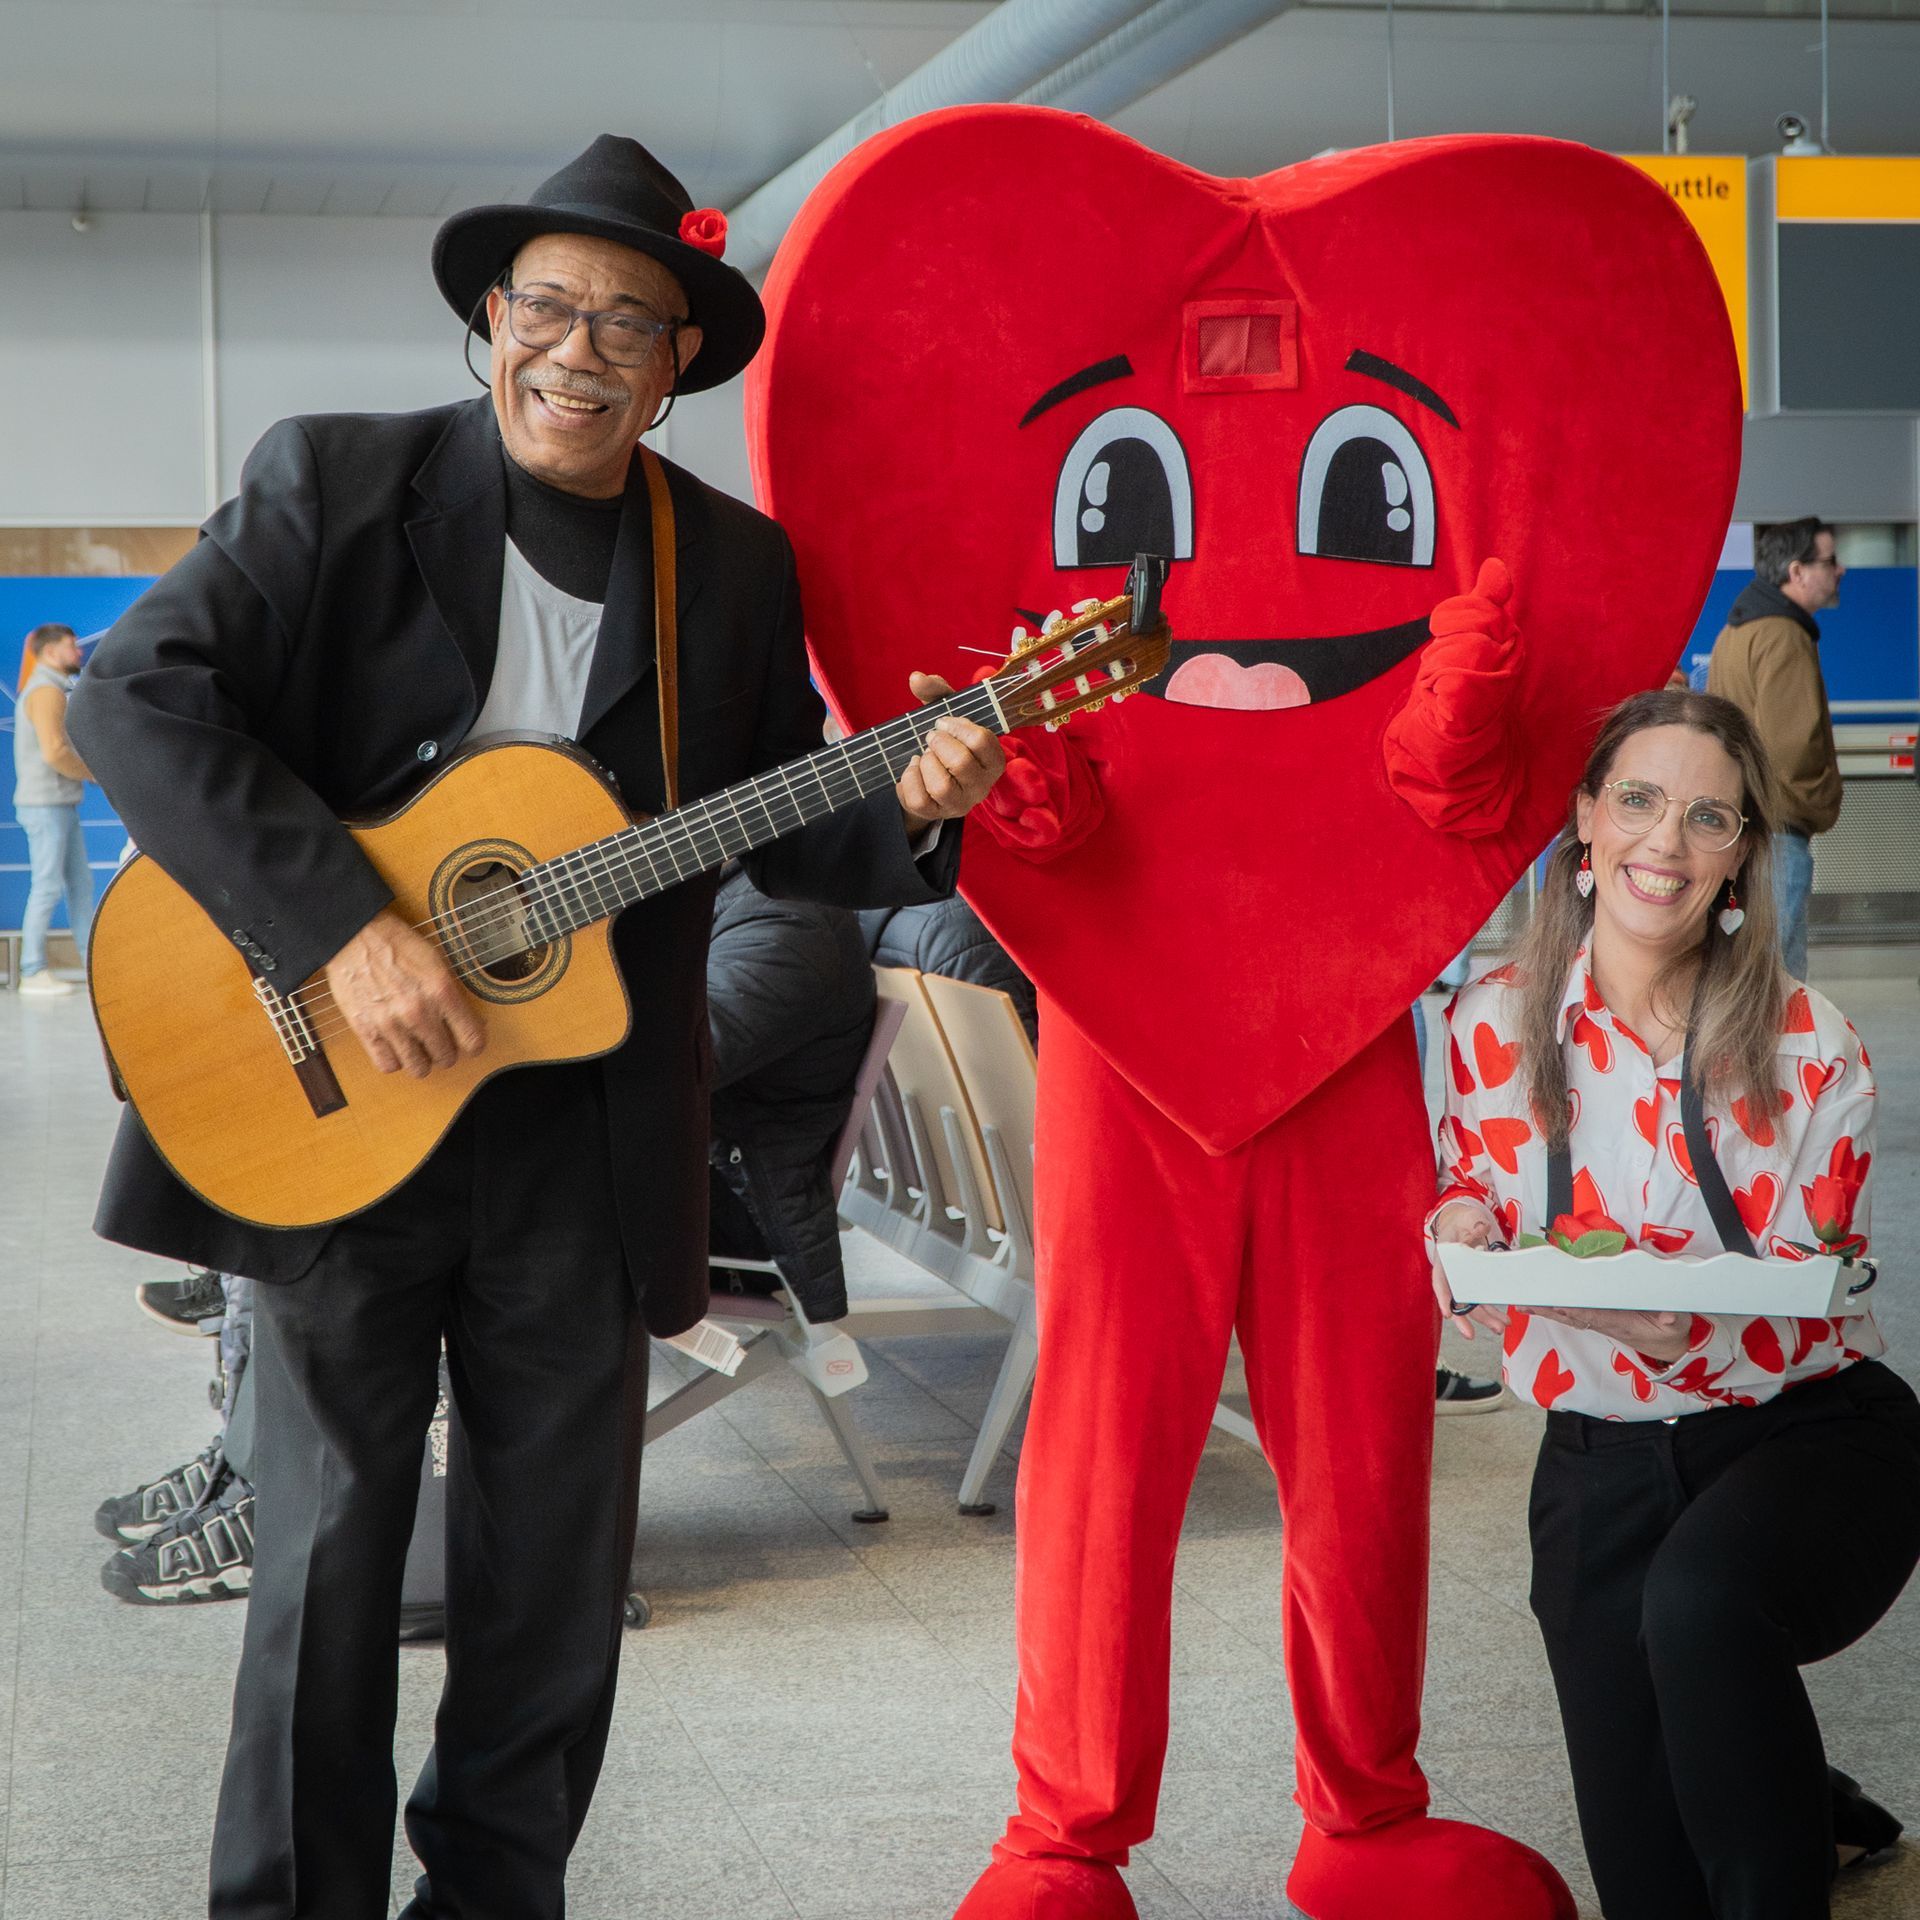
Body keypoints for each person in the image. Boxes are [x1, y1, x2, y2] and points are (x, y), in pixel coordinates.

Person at [68, 132, 1003, 1920]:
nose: (579, 349)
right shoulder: (333, 485)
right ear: (487, 319)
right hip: (332, 1108)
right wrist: (347, 932)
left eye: (629, 324)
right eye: (550, 307)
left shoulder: (726, 564)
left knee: (553, 1587)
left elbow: (765, 814)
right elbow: (136, 703)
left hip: (587, 1135)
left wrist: (918, 793)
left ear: (678, 368)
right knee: (330, 1562)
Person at [1430, 688, 1920, 1920]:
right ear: (1586, 822)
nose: (1667, 843)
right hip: (1596, 1459)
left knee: (1697, 1608)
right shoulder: (1492, 1023)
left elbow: (1807, 1285)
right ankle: (1814, 1805)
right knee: (1649, 1881)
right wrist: (1457, 1227)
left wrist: (1610, 1304)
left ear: (1744, 855)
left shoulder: (1815, 1045)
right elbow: (1462, 1199)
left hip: (1810, 1433)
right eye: (1639, 801)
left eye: (1711, 818)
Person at [707, 863, 876, 1319]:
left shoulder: (788, 919)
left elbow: (680, 1064)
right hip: (709, 1167)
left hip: (739, 1205)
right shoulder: (735, 896)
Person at [1706, 518, 1845, 980]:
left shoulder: (1737, 630)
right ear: (1797, 571)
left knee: (1747, 969)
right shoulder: (1785, 635)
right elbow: (1791, 748)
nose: (1840, 570)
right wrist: (1821, 802)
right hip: (1779, 832)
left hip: (1746, 825)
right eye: (1829, 561)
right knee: (1778, 978)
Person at [11, 621, 94, 996]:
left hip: (56, 804)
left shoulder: (51, 688)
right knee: (47, 887)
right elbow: (55, 751)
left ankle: (91, 963)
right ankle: (32, 970)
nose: (78, 653)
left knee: (80, 887)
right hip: (46, 807)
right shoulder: (47, 691)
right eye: (70, 646)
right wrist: (96, 774)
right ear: (49, 652)